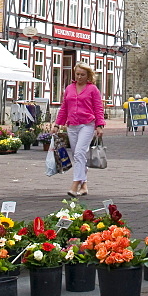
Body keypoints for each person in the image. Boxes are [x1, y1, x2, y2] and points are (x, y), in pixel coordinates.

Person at [53, 63, 105, 198]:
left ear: (88, 76)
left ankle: (75, 184)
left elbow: (98, 108)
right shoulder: (69, 88)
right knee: (78, 155)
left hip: (87, 124)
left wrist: (99, 125)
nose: (79, 77)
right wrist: (57, 124)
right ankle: (84, 185)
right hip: (72, 125)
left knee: (79, 153)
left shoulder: (93, 89)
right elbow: (64, 108)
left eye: (83, 74)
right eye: (77, 74)